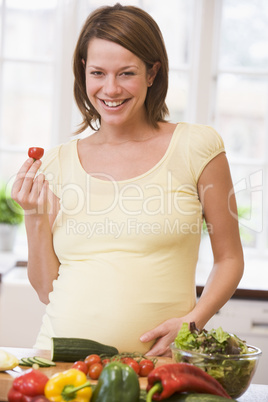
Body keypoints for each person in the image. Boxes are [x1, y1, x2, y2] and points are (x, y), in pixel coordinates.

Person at [11, 3, 244, 356]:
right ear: (83, 73)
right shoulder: (56, 163)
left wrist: (193, 321)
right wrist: (33, 214)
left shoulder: (196, 146)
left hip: (160, 366)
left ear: (153, 74)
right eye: (98, 73)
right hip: (61, 364)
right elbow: (46, 289)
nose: (111, 89)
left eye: (126, 73)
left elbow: (229, 259)